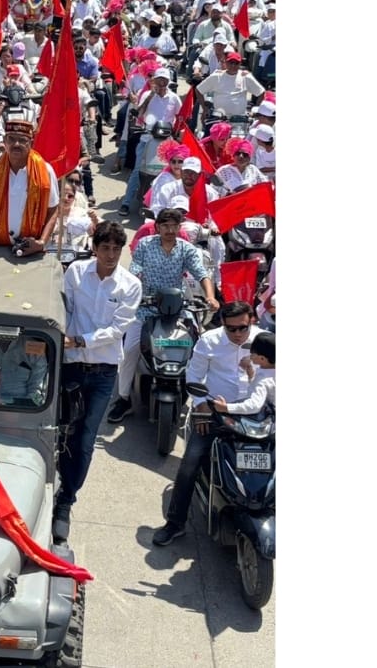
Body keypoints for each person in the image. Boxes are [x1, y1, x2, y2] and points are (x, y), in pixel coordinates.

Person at [53, 221, 141, 542]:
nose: (111, 255)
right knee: (62, 430)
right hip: (72, 367)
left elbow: (118, 331)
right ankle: (54, 482)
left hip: (103, 372)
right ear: (95, 247)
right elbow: (66, 310)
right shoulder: (75, 272)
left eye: (117, 249)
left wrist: (79, 341)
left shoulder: (130, 285)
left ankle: (66, 499)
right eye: (106, 248)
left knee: (86, 438)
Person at [153, 300, 267, 545]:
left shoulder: (265, 340)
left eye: (243, 328)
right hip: (216, 412)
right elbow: (193, 375)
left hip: (257, 414)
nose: (237, 334)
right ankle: (175, 523)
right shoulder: (209, 341)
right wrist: (202, 405)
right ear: (223, 325)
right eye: (231, 329)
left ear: (252, 321)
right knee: (189, 464)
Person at [107, 208, 218, 423]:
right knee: (129, 349)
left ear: (179, 228)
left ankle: (200, 399)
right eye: (165, 226)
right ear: (157, 227)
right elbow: (135, 270)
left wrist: (211, 297)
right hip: (145, 306)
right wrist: (133, 290)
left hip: (177, 308)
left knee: (198, 347)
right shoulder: (145, 245)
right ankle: (123, 398)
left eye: (174, 226)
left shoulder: (187, 249)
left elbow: (201, 273)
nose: (169, 230)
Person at [0, 105, 60, 255]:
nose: (16, 144)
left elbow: (53, 210)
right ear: (4, 141)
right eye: (11, 139)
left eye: (22, 140)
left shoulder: (45, 170)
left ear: (30, 142)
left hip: (29, 248)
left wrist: (41, 242)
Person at [119, 67, 181, 215]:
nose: (161, 82)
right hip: (147, 138)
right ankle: (126, 202)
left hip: (166, 142)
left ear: (168, 82)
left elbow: (180, 117)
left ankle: (159, 204)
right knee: (137, 171)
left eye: (164, 80)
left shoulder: (174, 98)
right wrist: (151, 95)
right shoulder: (147, 94)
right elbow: (139, 112)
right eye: (159, 79)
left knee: (165, 173)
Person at [211, 331, 274, 414]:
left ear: (262, 359)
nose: (249, 356)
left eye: (252, 354)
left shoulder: (263, 381)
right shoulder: (269, 373)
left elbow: (254, 406)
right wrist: (251, 375)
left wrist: (226, 407)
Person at [197, 52, 265, 119]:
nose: (233, 65)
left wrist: (256, 110)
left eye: (236, 63)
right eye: (231, 62)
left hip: (239, 120)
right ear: (226, 63)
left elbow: (261, 92)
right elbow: (198, 90)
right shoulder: (216, 76)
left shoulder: (245, 76)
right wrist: (204, 108)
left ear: (240, 64)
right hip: (219, 118)